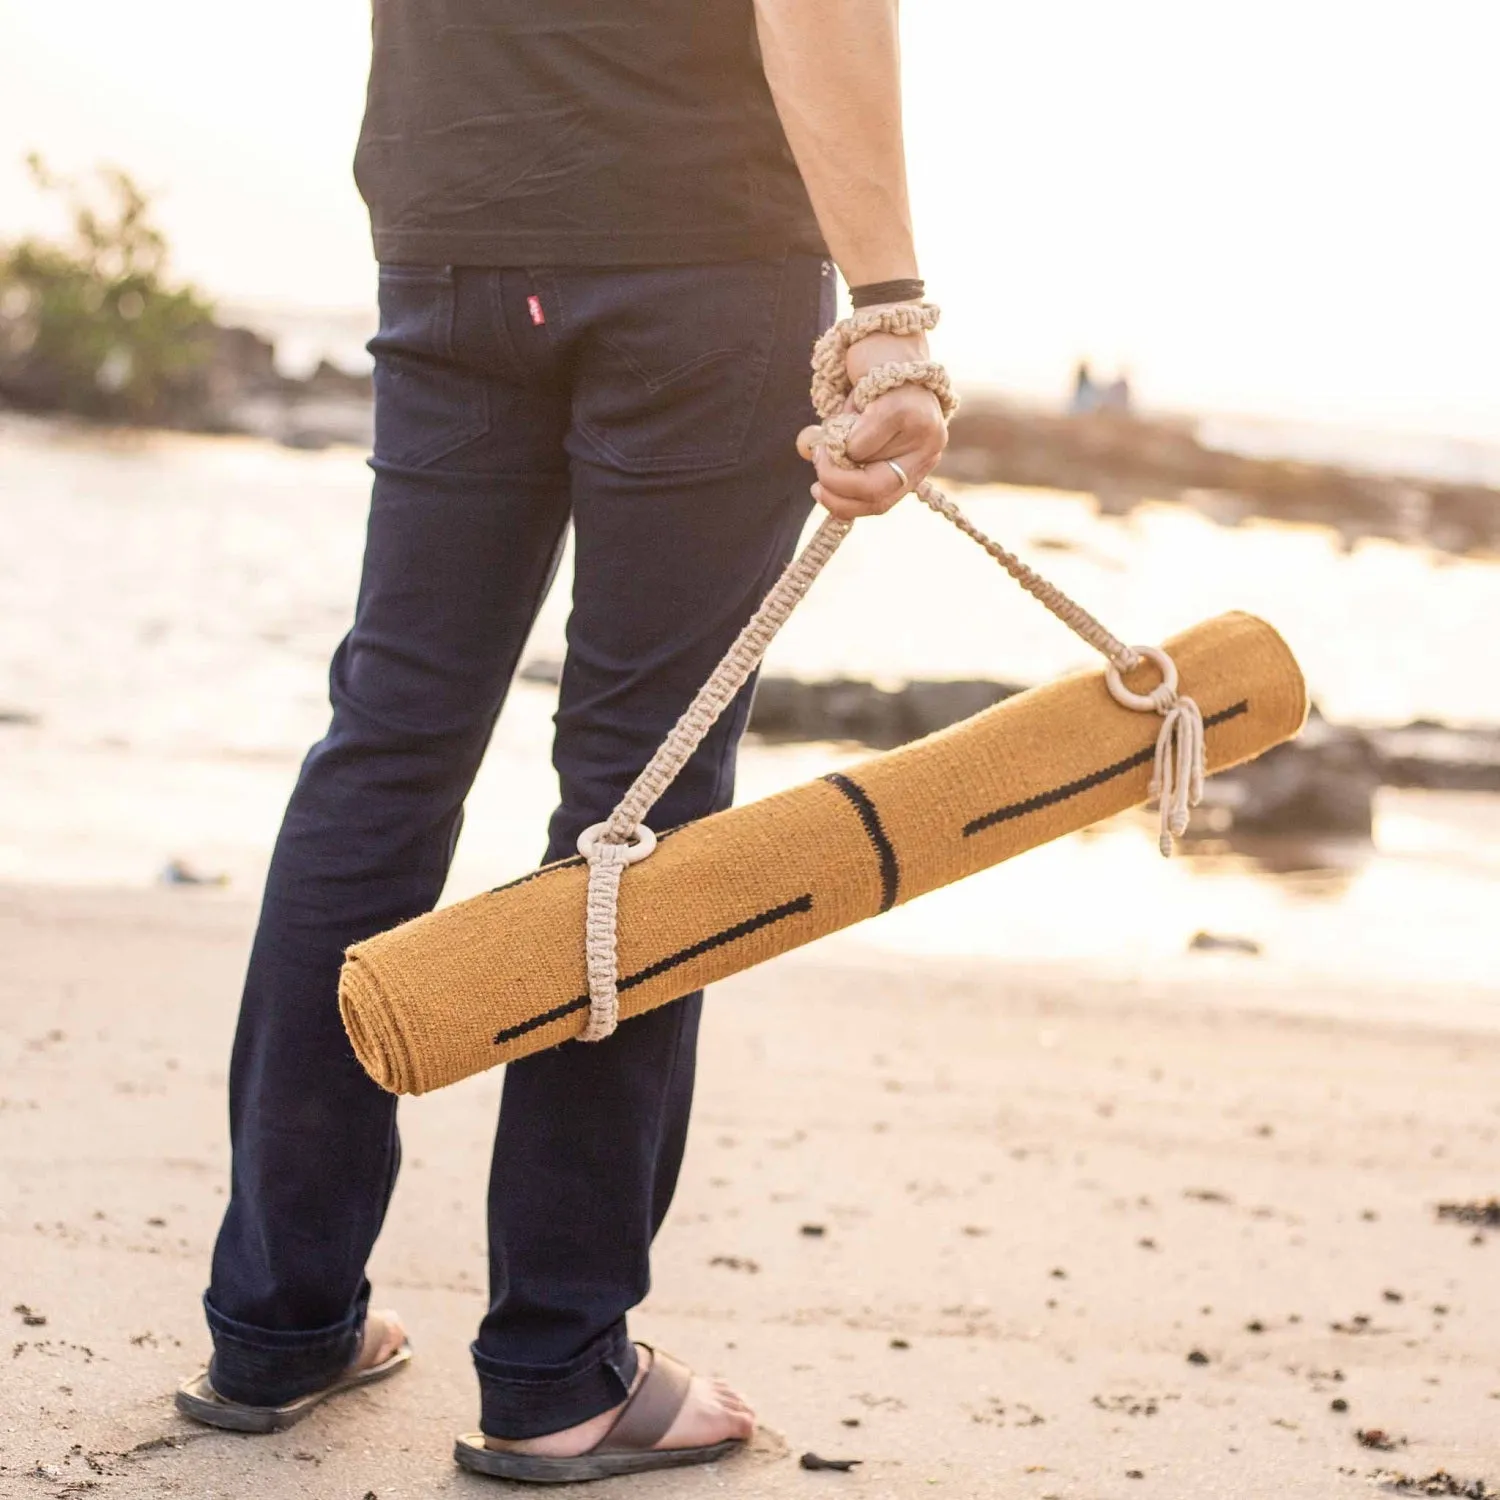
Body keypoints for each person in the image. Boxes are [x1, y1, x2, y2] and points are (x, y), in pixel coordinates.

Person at [176, 0, 949, 1483]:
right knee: (643, 800)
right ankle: (555, 1373)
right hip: (693, 242)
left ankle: (277, 1326)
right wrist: (892, 314)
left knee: (387, 750)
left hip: (453, 226)